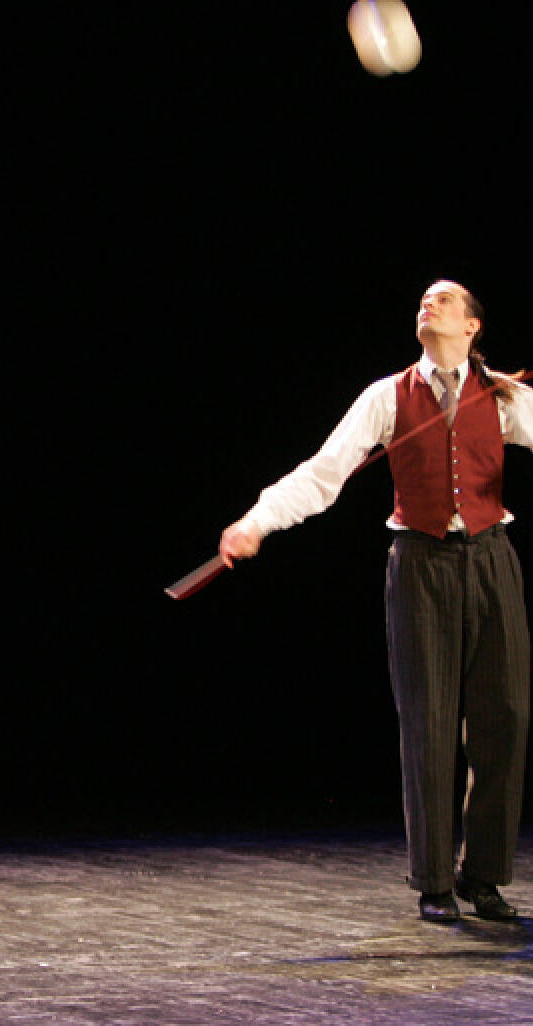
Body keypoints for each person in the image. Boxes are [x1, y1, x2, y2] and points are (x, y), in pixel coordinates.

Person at [219, 280, 532, 923]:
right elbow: (324, 472)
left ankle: (482, 876)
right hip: (420, 565)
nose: (429, 304)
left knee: (505, 716)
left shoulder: (503, 395)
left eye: (444, 299)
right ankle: (434, 881)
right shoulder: (386, 396)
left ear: (471, 326)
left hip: (491, 558)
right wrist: (257, 521)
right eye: (424, 299)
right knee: (428, 721)